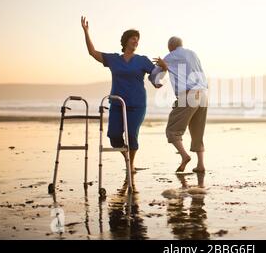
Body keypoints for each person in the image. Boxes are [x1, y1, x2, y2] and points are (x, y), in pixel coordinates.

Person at [80, 16, 166, 174]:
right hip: (117, 104)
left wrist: (164, 68)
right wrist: (86, 32)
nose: (136, 41)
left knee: (132, 135)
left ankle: (130, 165)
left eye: (138, 39)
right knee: (114, 138)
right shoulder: (113, 59)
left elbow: (154, 76)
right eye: (133, 38)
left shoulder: (142, 60)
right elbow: (92, 52)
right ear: (126, 41)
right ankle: (126, 155)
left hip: (136, 105)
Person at [151, 36, 208, 173]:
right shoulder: (193, 54)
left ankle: (184, 156)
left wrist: (156, 81)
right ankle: (200, 165)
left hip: (188, 95)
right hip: (203, 94)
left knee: (172, 130)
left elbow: (156, 74)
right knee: (197, 132)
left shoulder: (171, 56)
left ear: (170, 47)